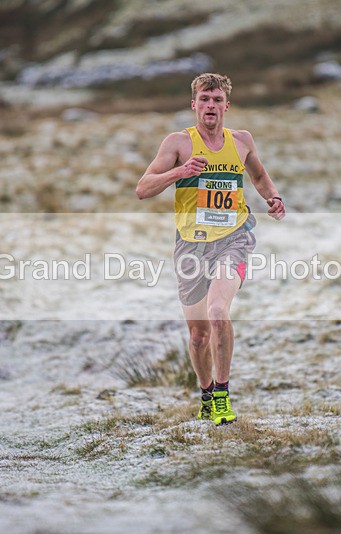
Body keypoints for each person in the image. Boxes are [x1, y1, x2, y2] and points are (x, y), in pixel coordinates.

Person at [136, 73, 285, 425]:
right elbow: (143, 189)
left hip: (234, 238)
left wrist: (273, 198)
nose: (211, 106)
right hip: (190, 246)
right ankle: (205, 394)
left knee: (219, 310)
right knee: (199, 334)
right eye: (204, 99)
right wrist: (181, 172)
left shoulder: (242, 141)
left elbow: (259, 177)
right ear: (194, 105)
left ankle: (221, 394)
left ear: (226, 106)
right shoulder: (177, 144)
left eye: (217, 100)